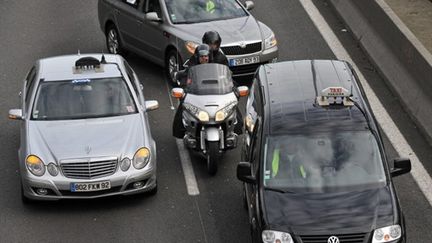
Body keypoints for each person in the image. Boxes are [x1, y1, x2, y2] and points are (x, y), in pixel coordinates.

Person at [172, 44, 211, 138]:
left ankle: (236, 128)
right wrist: (185, 88)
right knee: (183, 107)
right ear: (197, 57)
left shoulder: (214, 65)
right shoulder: (192, 66)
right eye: (202, 56)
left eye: (206, 56)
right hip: (197, 94)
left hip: (212, 93)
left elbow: (223, 77)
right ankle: (180, 131)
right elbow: (186, 79)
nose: (204, 58)